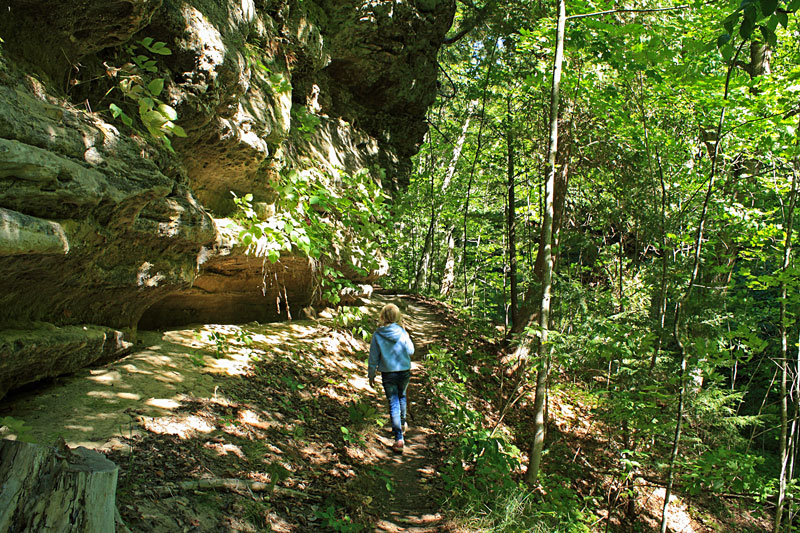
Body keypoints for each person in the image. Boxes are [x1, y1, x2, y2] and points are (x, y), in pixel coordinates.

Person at [368, 303, 414, 453]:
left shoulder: (378, 334)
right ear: (397, 317)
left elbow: (373, 357)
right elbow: (411, 351)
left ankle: (399, 438)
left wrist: (371, 374)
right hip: (404, 370)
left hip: (388, 373)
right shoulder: (402, 332)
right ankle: (402, 423)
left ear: (382, 317)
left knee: (393, 402)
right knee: (401, 397)